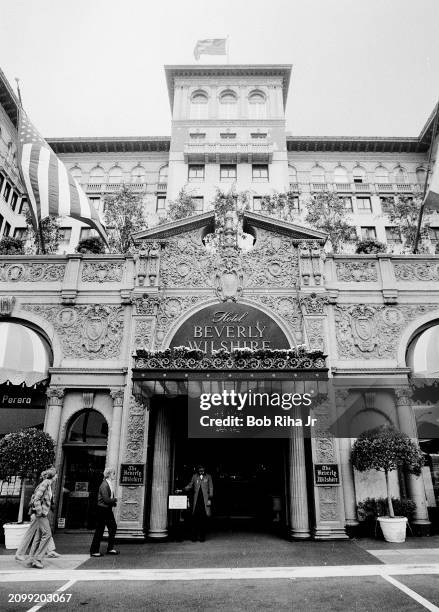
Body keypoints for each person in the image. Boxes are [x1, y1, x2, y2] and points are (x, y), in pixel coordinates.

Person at [16, 467, 58, 569]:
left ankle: (32, 559)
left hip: (42, 514)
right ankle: (37, 558)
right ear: (53, 476)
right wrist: (40, 512)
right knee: (47, 534)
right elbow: (36, 499)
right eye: (56, 475)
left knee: (39, 536)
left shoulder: (48, 484)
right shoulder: (45, 484)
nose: (57, 477)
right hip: (40, 515)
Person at [89, 467, 119, 557]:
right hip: (102, 510)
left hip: (107, 509)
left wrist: (113, 502)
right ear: (109, 474)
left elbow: (108, 499)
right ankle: (94, 551)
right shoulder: (104, 485)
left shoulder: (109, 484)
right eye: (113, 474)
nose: (114, 475)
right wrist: (115, 500)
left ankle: (110, 548)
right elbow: (106, 499)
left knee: (112, 527)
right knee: (100, 530)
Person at [180, 465, 213, 542]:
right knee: (195, 519)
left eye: (203, 469)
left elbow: (211, 487)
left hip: (205, 501)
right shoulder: (194, 476)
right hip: (196, 501)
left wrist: (210, 497)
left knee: (203, 519)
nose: (201, 471)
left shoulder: (208, 476)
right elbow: (190, 485)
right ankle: (194, 537)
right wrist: (183, 489)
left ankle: (202, 537)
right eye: (200, 470)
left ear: (204, 469)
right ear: (198, 470)